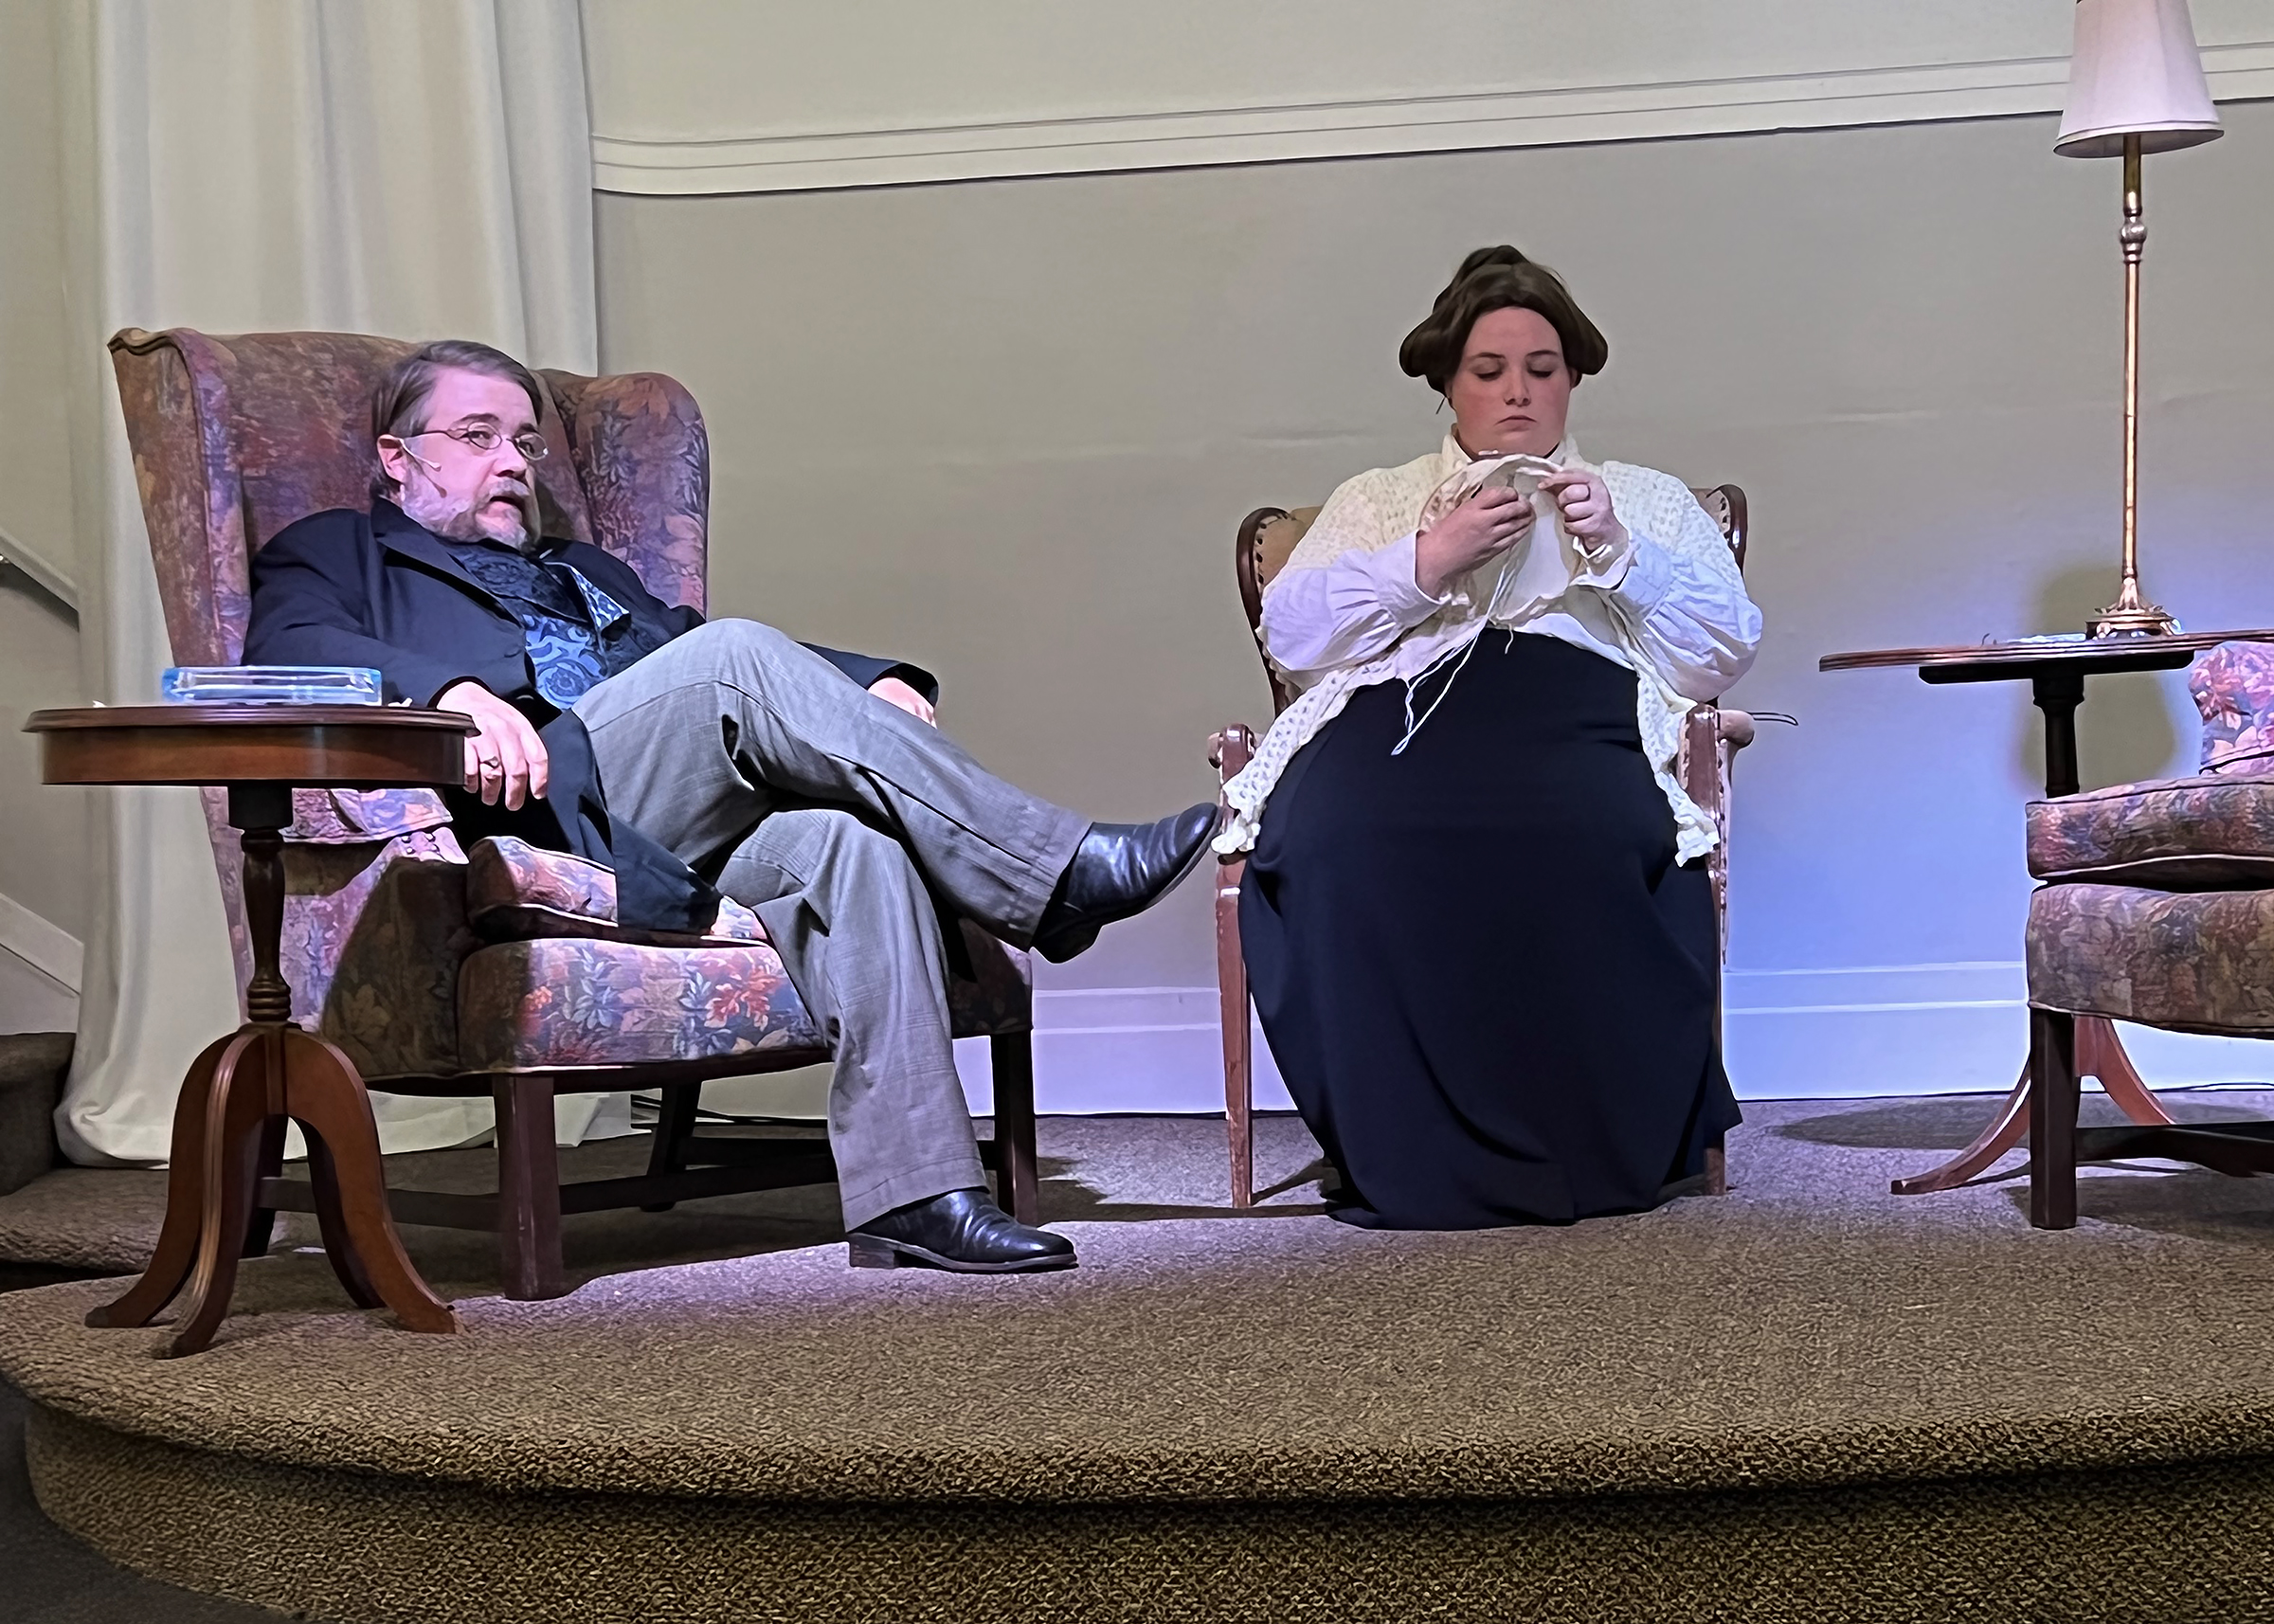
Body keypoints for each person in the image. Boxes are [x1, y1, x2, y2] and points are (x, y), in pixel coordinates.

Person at [244, 339, 1216, 1273]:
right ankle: (1055, 874)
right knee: (734, 655)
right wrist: (449, 693)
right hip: (544, 809)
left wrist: (868, 681)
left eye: (526, 442)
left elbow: (692, 654)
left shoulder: (580, 568)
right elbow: (287, 650)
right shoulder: (337, 553)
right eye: (478, 436)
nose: (513, 462)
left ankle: (914, 1196)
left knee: (851, 844)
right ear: (397, 456)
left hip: (660, 831)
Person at [1222, 246, 1761, 1229]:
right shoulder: (1378, 498)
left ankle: (1592, 1142)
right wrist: (1429, 559)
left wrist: (1620, 555)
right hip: (1397, 715)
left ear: (1573, 379)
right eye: (1489, 370)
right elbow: (1293, 636)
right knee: (1335, 838)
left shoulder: (1641, 496)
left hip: (1579, 713)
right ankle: (1402, 1148)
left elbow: (1722, 652)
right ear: (1447, 385)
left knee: (1590, 831)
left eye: (1541, 369)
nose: (1517, 391)